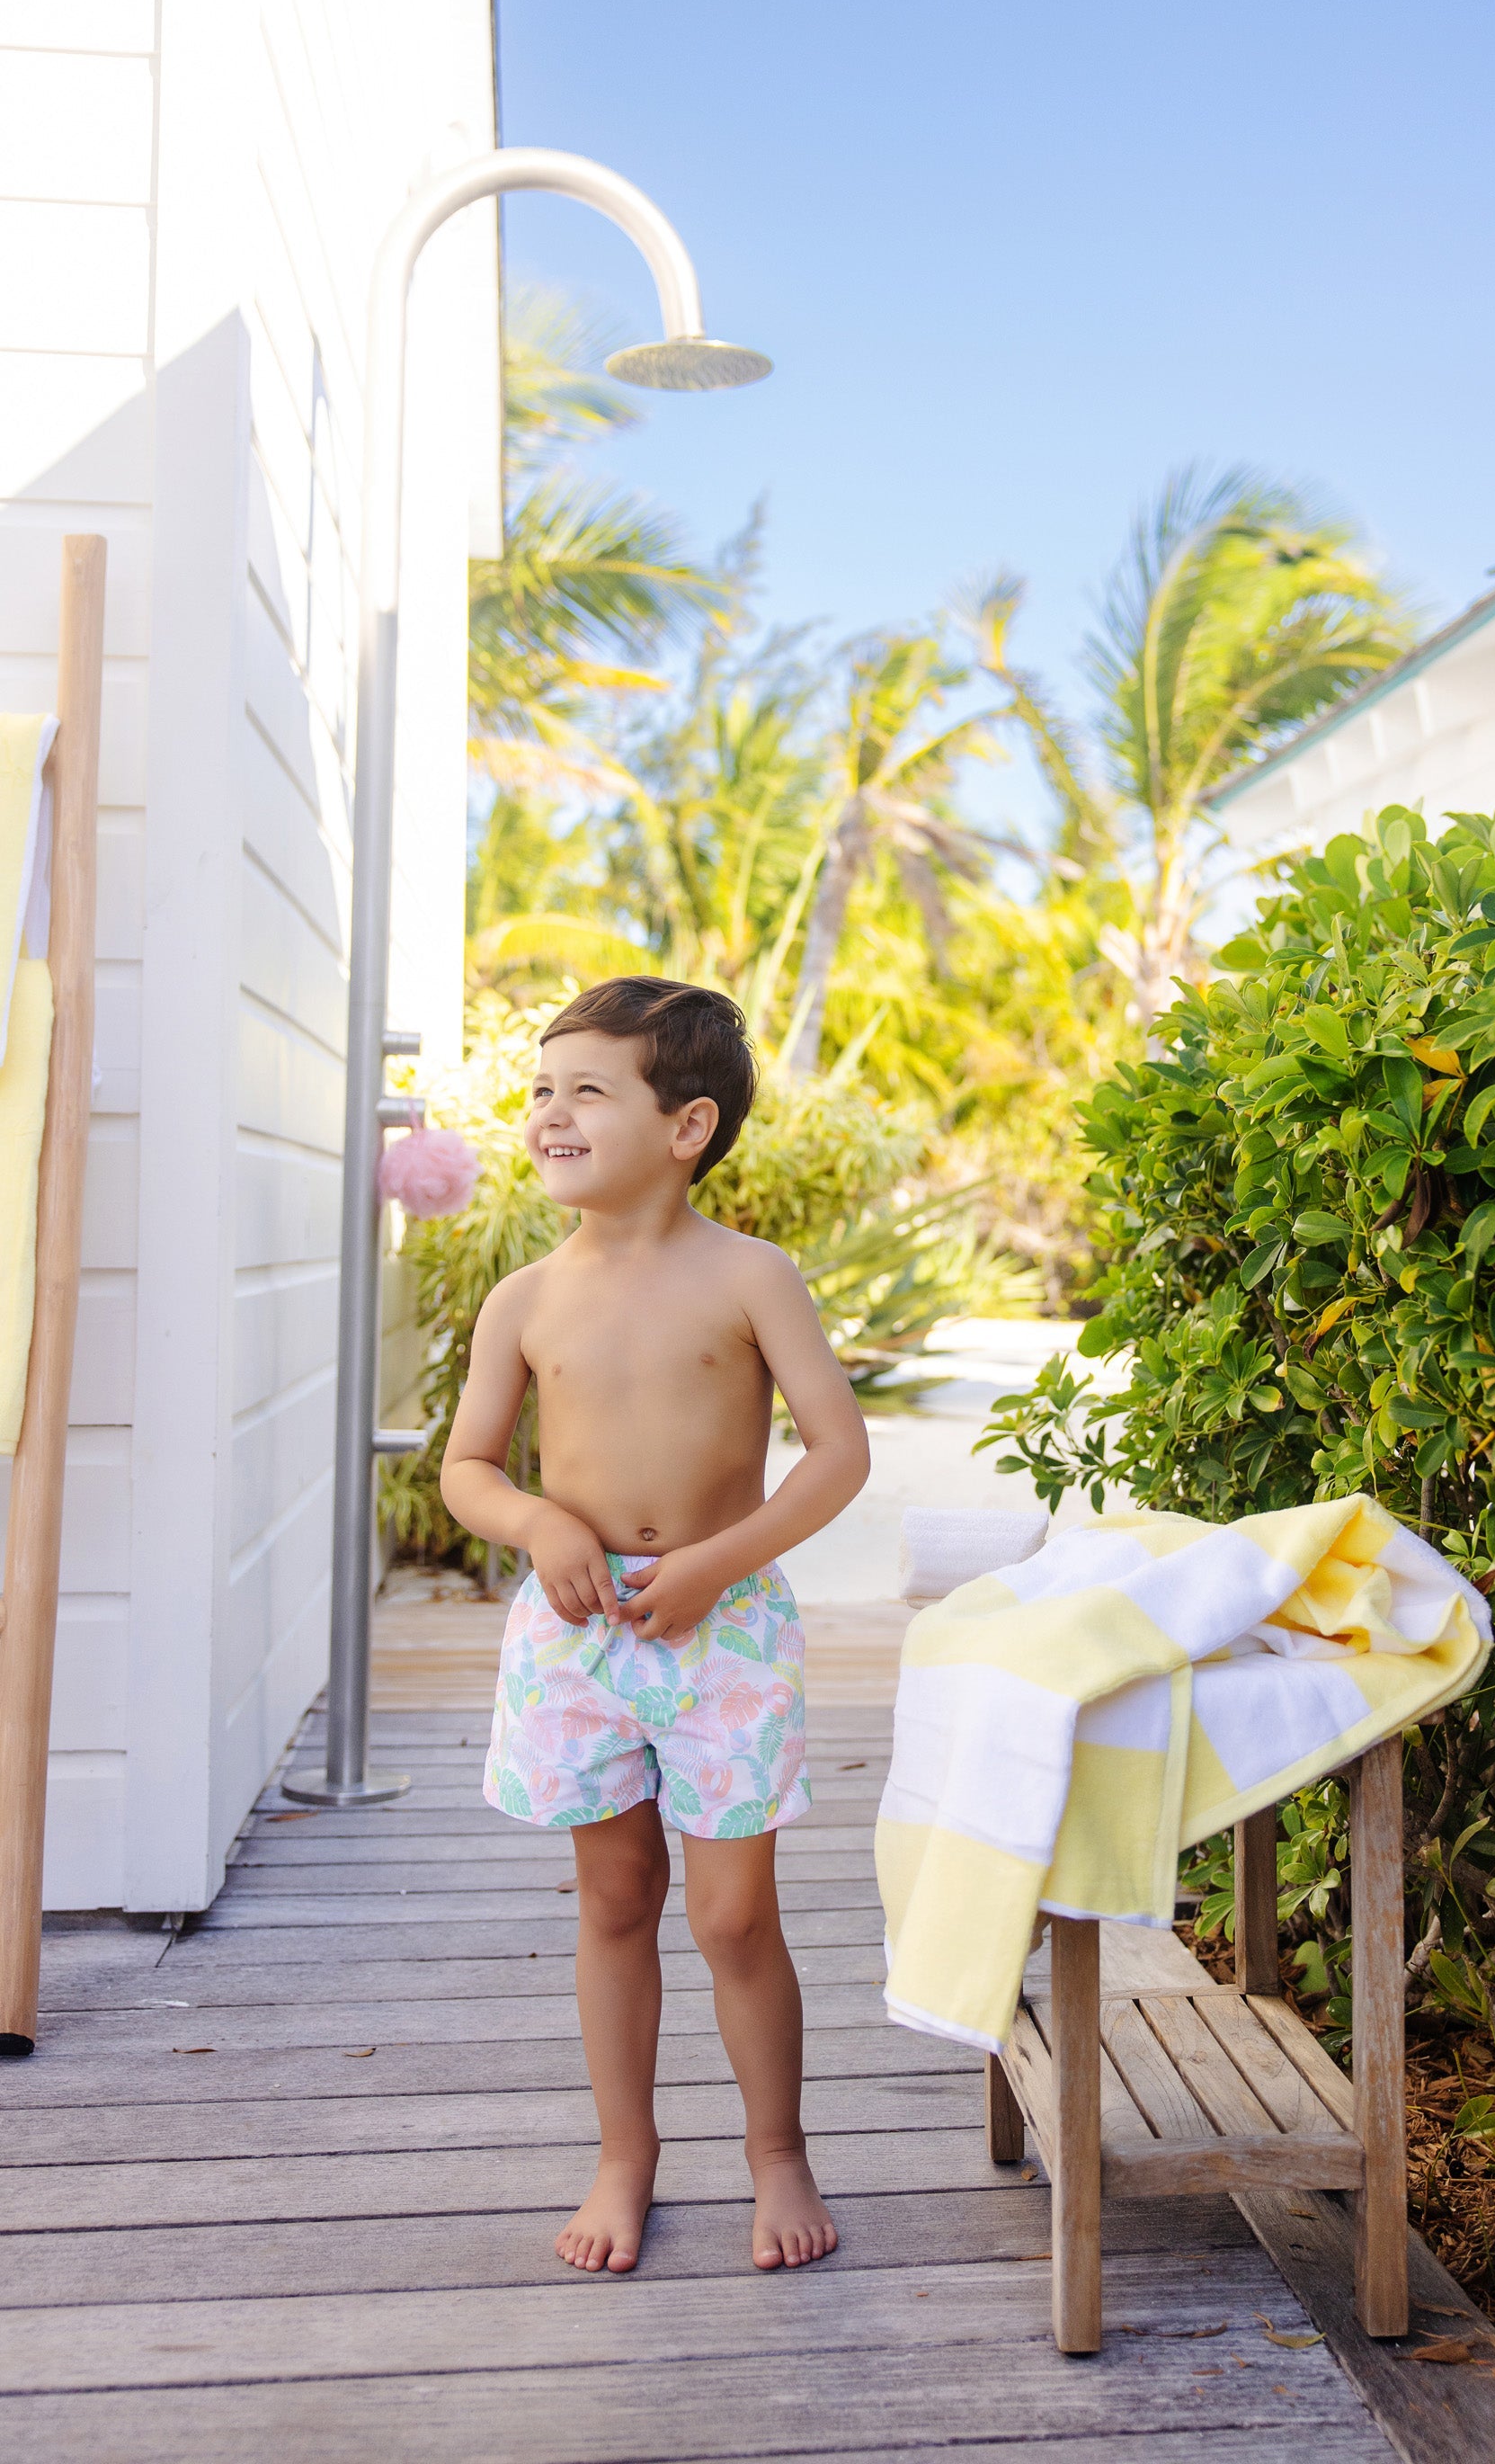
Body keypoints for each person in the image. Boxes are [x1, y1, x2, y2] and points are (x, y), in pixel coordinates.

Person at [440, 976, 871, 2277]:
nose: (550, 1112)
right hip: (578, 1638)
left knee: (735, 1917)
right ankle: (625, 2154)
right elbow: (468, 1468)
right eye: (539, 1088)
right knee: (614, 1894)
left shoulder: (751, 1276)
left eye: (587, 1089)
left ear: (687, 1128)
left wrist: (713, 1565)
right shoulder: (524, 1299)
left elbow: (837, 1456)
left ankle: (776, 2151)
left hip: (722, 1629)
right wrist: (541, 1527)